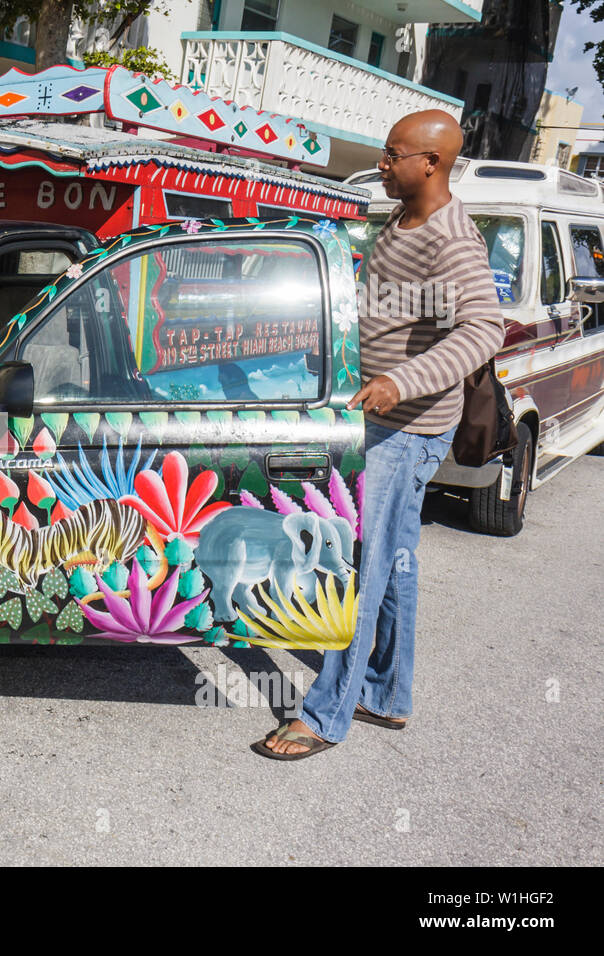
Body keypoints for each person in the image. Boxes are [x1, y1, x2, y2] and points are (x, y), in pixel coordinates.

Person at [254, 110, 505, 759]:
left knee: (357, 568)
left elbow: (484, 329)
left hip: (408, 426)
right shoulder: (401, 219)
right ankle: (388, 695)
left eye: (393, 155)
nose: (383, 165)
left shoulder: (451, 237)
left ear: (430, 164)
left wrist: (400, 382)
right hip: (380, 416)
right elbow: (390, 311)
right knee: (393, 561)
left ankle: (325, 715)